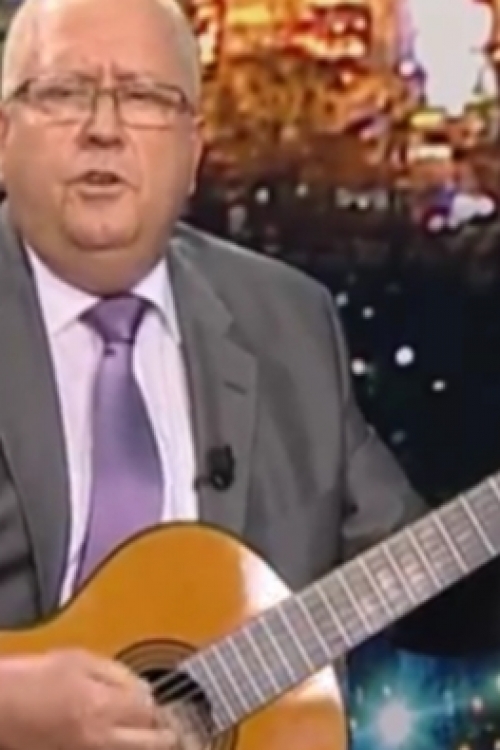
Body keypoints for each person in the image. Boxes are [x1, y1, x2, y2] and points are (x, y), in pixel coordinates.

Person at [0, 0, 427, 748]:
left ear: (194, 151)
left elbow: (426, 586)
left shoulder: (286, 322)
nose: (104, 128)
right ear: (4, 133)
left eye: (144, 97)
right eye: (65, 92)